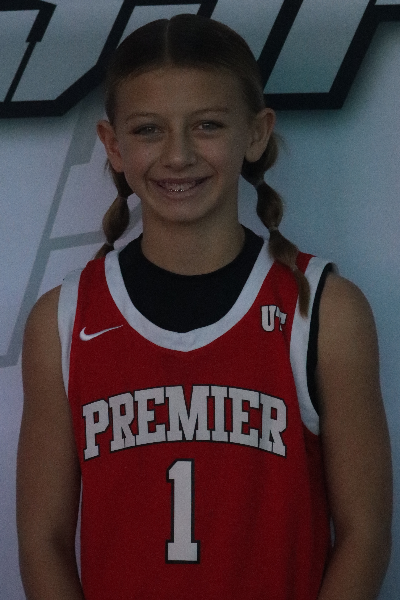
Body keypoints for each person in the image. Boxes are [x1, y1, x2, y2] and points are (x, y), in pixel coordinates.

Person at [17, 13, 392, 600]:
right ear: (112, 146)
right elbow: (43, 541)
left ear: (257, 133)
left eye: (208, 125)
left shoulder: (323, 310)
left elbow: (365, 535)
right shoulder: (63, 320)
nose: (179, 155)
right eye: (148, 130)